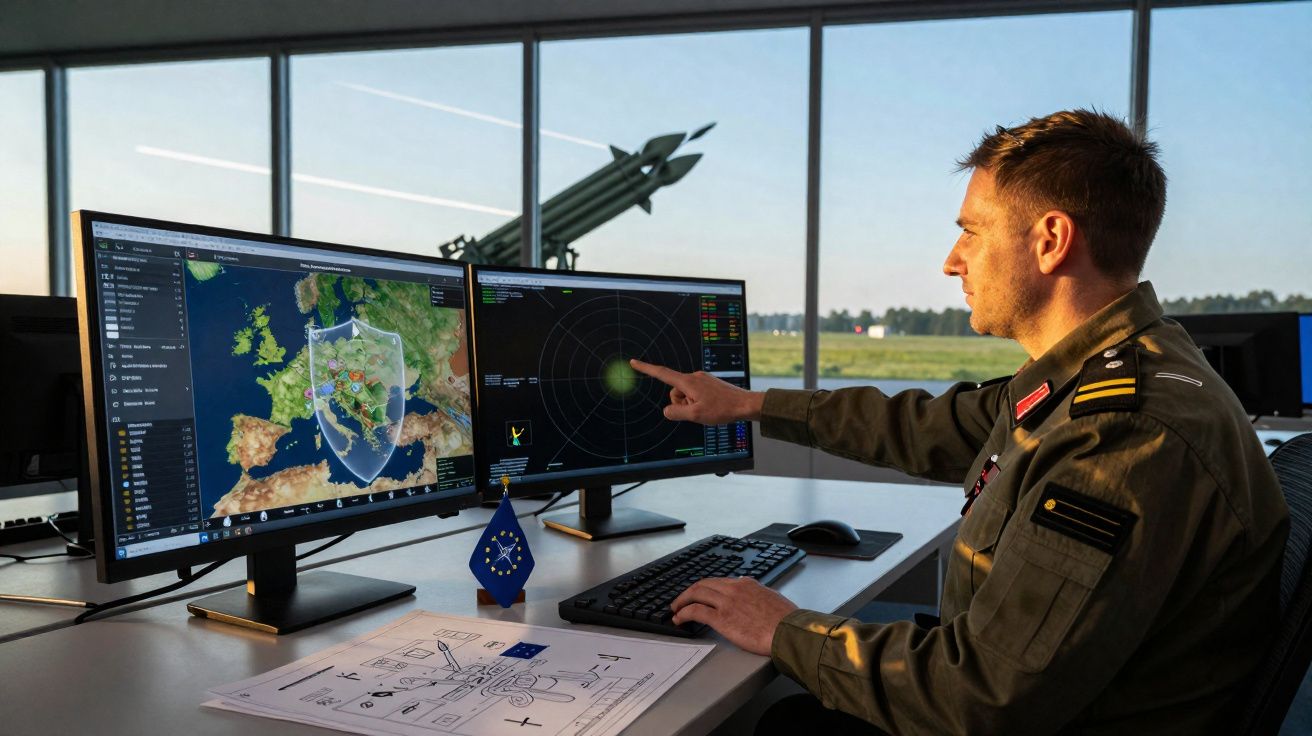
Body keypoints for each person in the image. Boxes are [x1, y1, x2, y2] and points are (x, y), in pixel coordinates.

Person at [630, 109, 1289, 734]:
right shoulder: (1101, 376)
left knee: (777, 720)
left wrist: (784, 628)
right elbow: (925, 425)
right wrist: (746, 405)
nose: (953, 259)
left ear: (1052, 241)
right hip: (1072, 699)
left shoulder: (1123, 434)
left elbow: (982, 700)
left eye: (973, 230)